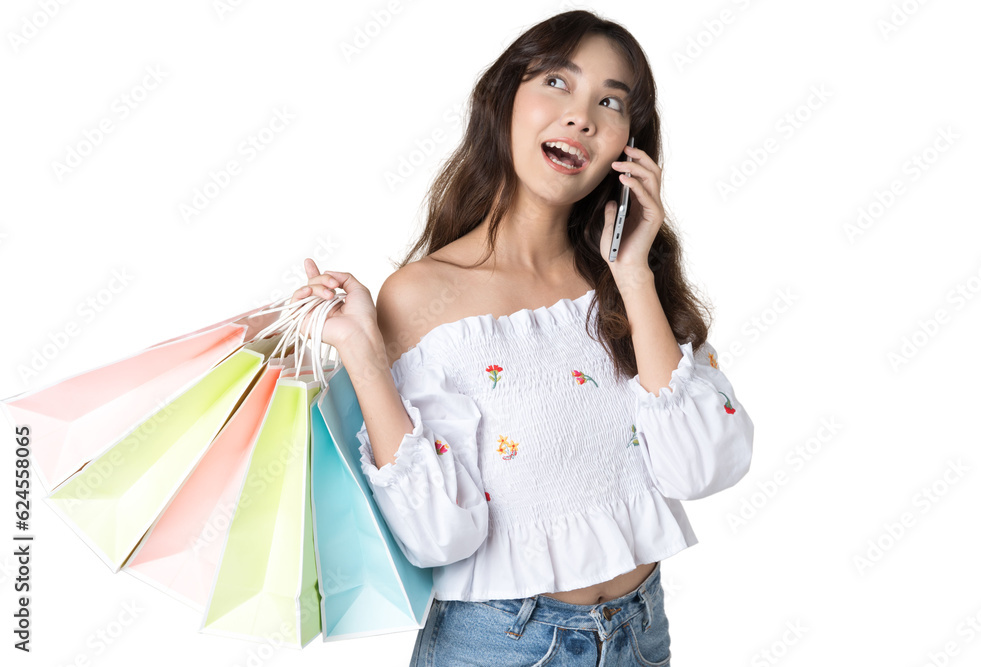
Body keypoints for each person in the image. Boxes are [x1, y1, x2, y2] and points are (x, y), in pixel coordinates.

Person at [291, 9, 754, 666]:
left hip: (639, 633)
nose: (583, 115)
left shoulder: (626, 281)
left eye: (610, 100)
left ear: (629, 143)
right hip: (501, 644)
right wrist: (363, 354)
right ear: (504, 98)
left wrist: (632, 272)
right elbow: (439, 536)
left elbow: (702, 467)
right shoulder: (423, 294)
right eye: (558, 83)